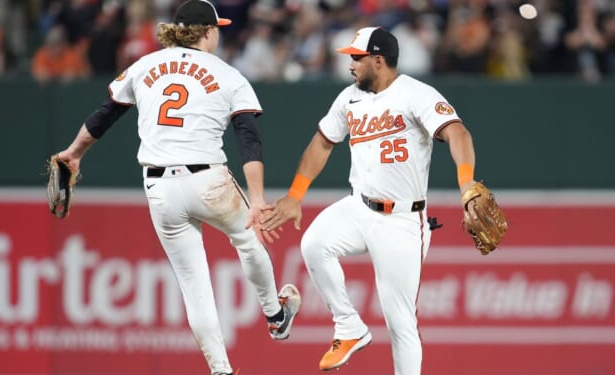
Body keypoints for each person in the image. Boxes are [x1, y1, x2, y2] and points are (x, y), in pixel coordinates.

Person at [54, 1, 300, 374]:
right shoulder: (228, 73)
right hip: (208, 179)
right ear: (205, 31)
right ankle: (275, 314)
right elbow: (249, 138)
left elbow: (105, 114)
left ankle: (220, 369)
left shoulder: (145, 65)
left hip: (159, 189)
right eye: (216, 28)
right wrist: (258, 199)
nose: (218, 33)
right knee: (248, 241)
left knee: (192, 283)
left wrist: (74, 153)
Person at [260, 26, 478, 375]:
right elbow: (323, 142)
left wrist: (466, 184)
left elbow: (458, 133)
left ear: (378, 61)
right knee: (314, 244)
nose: (350, 64)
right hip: (359, 206)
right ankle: (348, 327)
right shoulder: (349, 98)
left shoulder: (416, 94)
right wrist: (295, 195)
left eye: (356, 58)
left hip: (402, 221)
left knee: (400, 323)